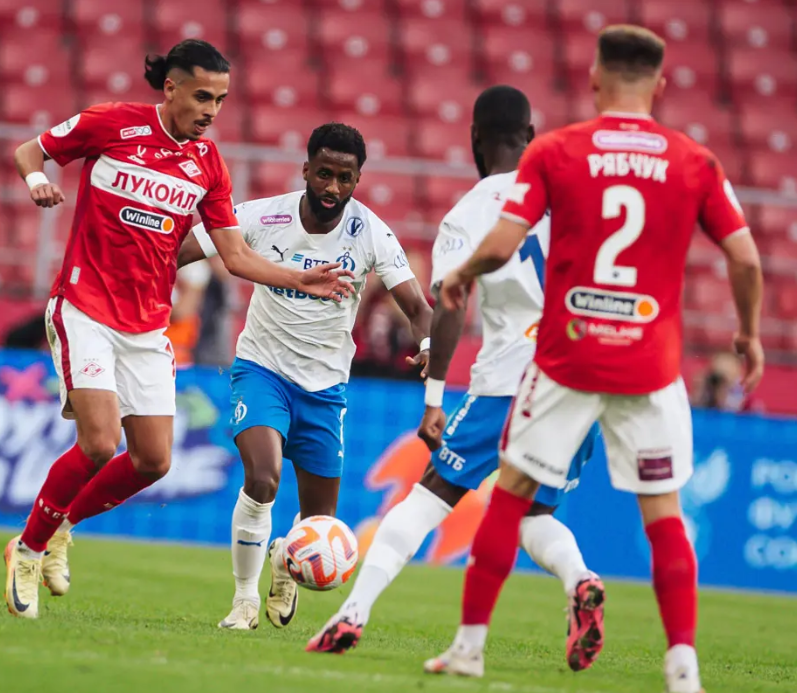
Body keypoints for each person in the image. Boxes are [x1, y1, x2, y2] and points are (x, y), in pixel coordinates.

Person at [425, 26, 764, 692]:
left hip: (566, 360)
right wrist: (748, 333)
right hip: (649, 365)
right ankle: (683, 668)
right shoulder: (694, 160)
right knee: (664, 518)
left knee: (509, 503)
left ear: (593, 81)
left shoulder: (557, 151)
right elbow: (745, 258)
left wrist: (463, 274)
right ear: (659, 85)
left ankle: (468, 648)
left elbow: (503, 240)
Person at [3, 39, 354, 620]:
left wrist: (301, 278)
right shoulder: (111, 123)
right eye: (202, 96)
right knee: (99, 443)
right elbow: (29, 151)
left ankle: (61, 525)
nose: (211, 110)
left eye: (220, 99)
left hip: (147, 326)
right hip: (85, 305)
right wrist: (36, 180)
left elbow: (234, 255)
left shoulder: (208, 165)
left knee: (153, 461)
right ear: (170, 88)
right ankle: (28, 550)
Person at [308, 87, 603, 670]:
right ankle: (580, 580)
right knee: (534, 514)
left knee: (428, 497)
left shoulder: (469, 214)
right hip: (577, 378)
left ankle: (353, 612)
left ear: (474, 138)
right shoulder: (570, 200)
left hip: (509, 379)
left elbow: (450, 302)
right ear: (531, 134)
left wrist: (434, 396)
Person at [176, 122, 434, 631]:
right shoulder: (262, 215)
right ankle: (244, 601)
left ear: (357, 179)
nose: (332, 187)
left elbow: (419, 309)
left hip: (325, 387)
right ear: (306, 169)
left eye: (344, 177)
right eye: (323, 173)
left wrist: (427, 347)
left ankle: (284, 558)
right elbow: (181, 251)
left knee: (319, 524)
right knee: (263, 478)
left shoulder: (371, 232)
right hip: (262, 370)